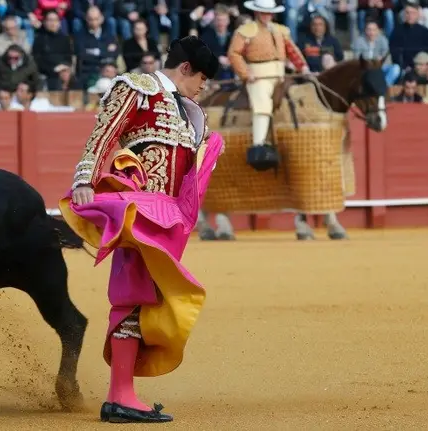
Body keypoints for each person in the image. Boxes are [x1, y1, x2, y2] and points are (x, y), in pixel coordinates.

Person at [59, 35, 223, 424]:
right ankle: (119, 395)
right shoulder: (139, 87)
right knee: (134, 297)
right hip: (139, 213)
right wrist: (85, 178)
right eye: (201, 77)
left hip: (167, 219)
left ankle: (122, 392)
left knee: (147, 298)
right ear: (185, 68)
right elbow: (104, 132)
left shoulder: (190, 109)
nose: (204, 86)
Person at [227, 0, 310, 163]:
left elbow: (292, 50)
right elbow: (234, 54)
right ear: (257, 13)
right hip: (258, 76)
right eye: (264, 12)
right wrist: (246, 73)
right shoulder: (246, 30)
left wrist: (303, 67)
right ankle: (258, 146)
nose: (267, 16)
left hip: (281, 75)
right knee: (262, 103)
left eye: (269, 13)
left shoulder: (280, 30)